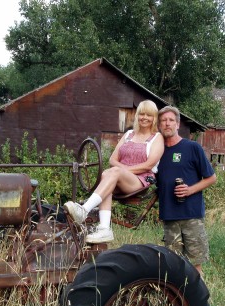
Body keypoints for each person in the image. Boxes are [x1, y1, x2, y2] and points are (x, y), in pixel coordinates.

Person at [64, 100, 164, 243]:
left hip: (140, 181)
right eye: (142, 114)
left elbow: (148, 165)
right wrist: (118, 170)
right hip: (119, 178)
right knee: (106, 174)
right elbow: (112, 159)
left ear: (154, 118)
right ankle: (105, 229)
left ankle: (84, 210)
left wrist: (121, 170)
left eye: (149, 115)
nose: (144, 118)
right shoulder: (129, 134)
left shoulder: (157, 138)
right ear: (137, 116)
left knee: (113, 172)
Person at [157, 106, 217, 275]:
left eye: (170, 120)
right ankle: (178, 299)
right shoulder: (158, 151)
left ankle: (198, 299)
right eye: (163, 121)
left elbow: (211, 178)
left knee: (195, 265)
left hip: (191, 215)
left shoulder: (191, 147)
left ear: (177, 124)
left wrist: (190, 190)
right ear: (159, 125)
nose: (167, 124)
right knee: (173, 265)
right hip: (169, 216)